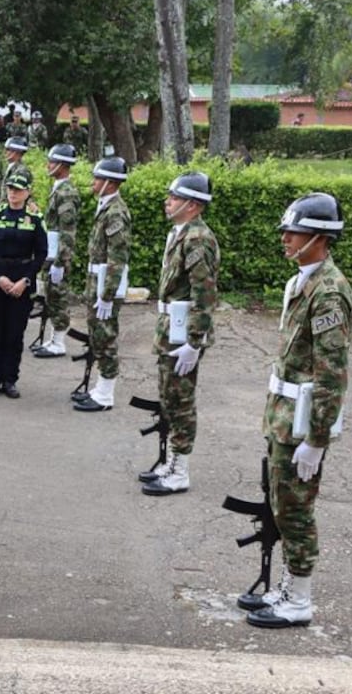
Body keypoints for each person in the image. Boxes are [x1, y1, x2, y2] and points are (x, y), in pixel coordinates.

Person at [239, 193, 351, 629]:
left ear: (319, 238)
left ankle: (298, 599)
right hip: (285, 414)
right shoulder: (302, 282)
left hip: (304, 422)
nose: (285, 238)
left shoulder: (328, 293)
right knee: (281, 504)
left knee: (296, 510)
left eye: (295, 232)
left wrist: (317, 440)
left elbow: (331, 373)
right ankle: (285, 588)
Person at [140, 172, 220, 495]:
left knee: (181, 401)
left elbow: (204, 296)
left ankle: (180, 470)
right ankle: (169, 460)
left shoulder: (198, 239)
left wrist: (194, 343)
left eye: (174, 197)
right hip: (170, 329)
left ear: (193, 205)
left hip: (184, 334)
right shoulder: (180, 233)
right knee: (168, 399)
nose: (167, 201)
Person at [0, 172, 47, 399]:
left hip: (22, 283)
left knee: (15, 335)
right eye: (10, 189)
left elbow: (42, 253)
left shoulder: (35, 218)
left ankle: (10, 380)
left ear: (27, 193)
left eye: (18, 190)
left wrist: (25, 280)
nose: (13, 193)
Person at [73, 157, 131, 413]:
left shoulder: (116, 211)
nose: (93, 182)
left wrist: (107, 294)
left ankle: (106, 395)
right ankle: (99, 389)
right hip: (98, 280)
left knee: (105, 338)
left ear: (109, 182)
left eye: (98, 178)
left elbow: (117, 257)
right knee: (98, 337)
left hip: (106, 283)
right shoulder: (106, 206)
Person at [32, 144, 82, 358]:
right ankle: (53, 339)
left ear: (62, 165)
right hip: (52, 252)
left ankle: (59, 342)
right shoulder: (58, 188)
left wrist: (61, 262)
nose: (48, 165)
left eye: (52, 162)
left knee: (58, 297)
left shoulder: (66, 192)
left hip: (58, 255)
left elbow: (67, 231)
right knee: (52, 296)